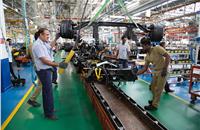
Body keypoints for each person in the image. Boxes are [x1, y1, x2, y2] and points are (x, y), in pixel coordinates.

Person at [32, 28, 68, 120]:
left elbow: (50, 46)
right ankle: (48, 113)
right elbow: (44, 61)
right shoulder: (37, 45)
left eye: (49, 35)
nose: (48, 36)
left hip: (47, 69)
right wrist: (59, 64)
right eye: (46, 35)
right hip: (43, 71)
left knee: (48, 91)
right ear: (40, 34)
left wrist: (56, 38)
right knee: (47, 92)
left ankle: (49, 109)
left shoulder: (44, 43)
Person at [137, 37, 170, 110]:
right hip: (155, 72)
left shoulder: (157, 48)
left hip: (163, 71)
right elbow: (144, 68)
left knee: (158, 89)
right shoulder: (147, 56)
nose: (142, 48)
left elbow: (167, 56)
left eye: (143, 46)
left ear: (147, 45)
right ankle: (154, 99)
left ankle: (154, 105)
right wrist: (135, 74)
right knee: (152, 87)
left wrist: (165, 69)